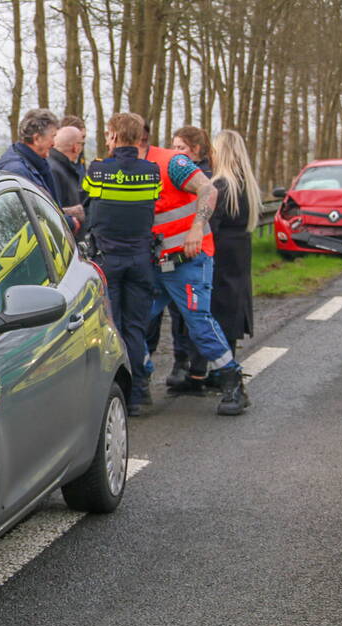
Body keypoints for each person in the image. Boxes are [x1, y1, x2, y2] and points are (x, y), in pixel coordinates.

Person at [142, 119, 248, 416]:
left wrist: (196, 229)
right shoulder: (120, 170)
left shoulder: (172, 164)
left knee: (198, 322)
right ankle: (138, 382)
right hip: (152, 262)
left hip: (187, 259)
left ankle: (232, 382)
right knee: (134, 322)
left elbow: (208, 191)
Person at [82, 113, 162, 415]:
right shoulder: (151, 171)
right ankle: (140, 394)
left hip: (108, 260)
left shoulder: (98, 170)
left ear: (114, 136)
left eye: (107, 133)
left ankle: (115, 393)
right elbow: (150, 204)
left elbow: (88, 201)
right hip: (141, 259)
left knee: (110, 327)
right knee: (136, 328)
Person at [155, 125, 214, 390]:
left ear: (196, 150)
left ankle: (199, 368)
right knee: (177, 315)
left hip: (195, 255)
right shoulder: (171, 173)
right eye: (173, 147)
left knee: (195, 314)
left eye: (181, 148)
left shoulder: (203, 177)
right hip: (170, 256)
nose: (175, 153)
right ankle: (181, 363)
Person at [209, 130, 259, 359]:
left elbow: (211, 225)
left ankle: (221, 366)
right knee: (234, 303)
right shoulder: (247, 184)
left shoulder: (220, 186)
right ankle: (229, 359)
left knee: (217, 306)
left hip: (221, 251)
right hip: (240, 250)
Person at [0, 108, 84, 231]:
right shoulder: (19, 172)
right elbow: (31, 221)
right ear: (37, 138)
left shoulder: (34, 164)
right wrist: (69, 223)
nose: (54, 143)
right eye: (52, 136)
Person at [49, 126, 87, 214]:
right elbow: (52, 210)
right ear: (76, 147)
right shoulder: (54, 171)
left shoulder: (53, 166)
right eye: (82, 143)